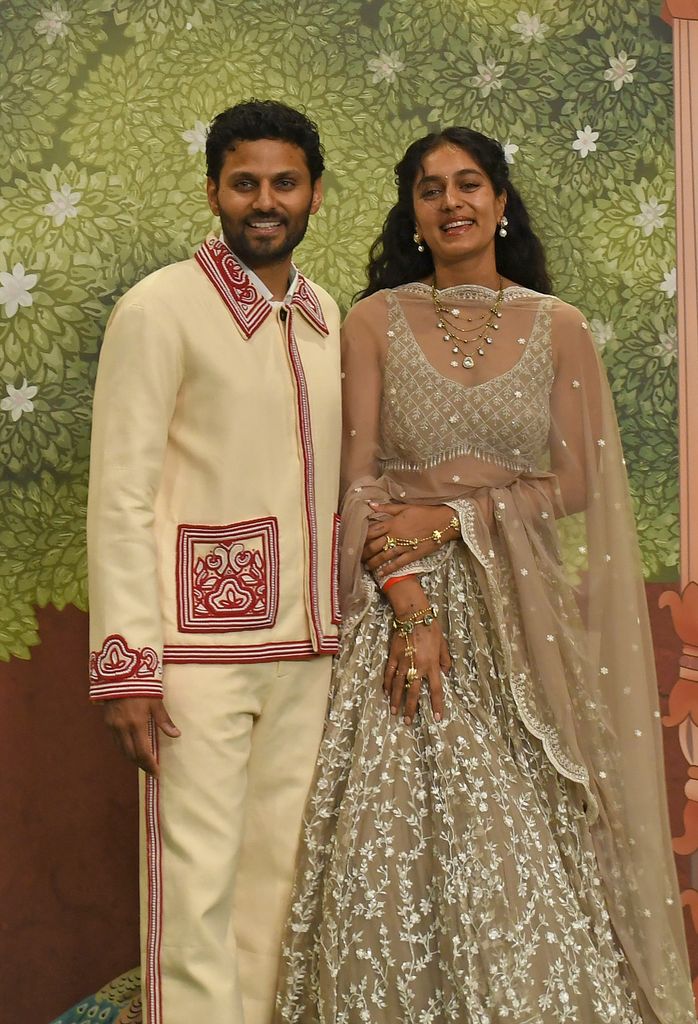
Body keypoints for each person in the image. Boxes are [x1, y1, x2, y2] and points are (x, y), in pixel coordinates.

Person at [275, 128, 696, 1023]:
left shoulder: (560, 326)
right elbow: (356, 484)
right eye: (431, 190)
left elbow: (579, 481)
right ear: (413, 215)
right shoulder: (373, 321)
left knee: (525, 840)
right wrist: (410, 599)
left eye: (471, 185)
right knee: (396, 840)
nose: (452, 202)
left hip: (522, 613)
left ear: (502, 204)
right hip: (403, 600)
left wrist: (461, 514)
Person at [87, 100, 342, 1024]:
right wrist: (127, 664)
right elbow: (120, 492)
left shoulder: (324, 316)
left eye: (283, 182)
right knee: (194, 896)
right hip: (193, 655)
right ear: (213, 192)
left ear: (315, 192)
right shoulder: (158, 309)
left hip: (310, 652)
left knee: (280, 885)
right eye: (245, 183)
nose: (264, 201)